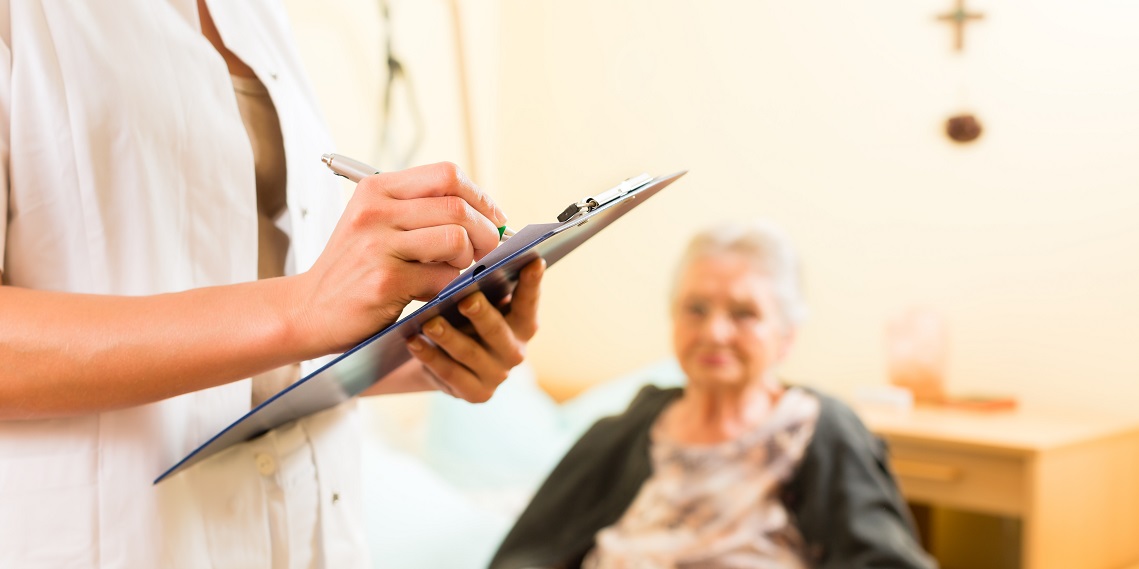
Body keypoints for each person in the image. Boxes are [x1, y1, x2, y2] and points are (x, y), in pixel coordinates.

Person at [0, 1, 543, 567]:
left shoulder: (256, 12)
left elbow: (256, 334)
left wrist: (422, 352)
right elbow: (289, 312)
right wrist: (300, 309)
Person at [490, 221, 935, 569]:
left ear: (785, 337)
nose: (714, 332)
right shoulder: (623, 431)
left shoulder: (819, 428)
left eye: (744, 313)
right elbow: (527, 553)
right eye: (696, 309)